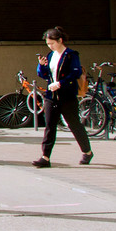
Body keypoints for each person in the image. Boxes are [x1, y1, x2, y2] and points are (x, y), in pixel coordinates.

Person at [33, 26, 93, 168]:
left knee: (74, 124)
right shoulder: (50, 55)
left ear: (60, 40)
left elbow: (75, 73)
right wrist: (41, 66)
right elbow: (44, 74)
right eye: (48, 44)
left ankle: (87, 152)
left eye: (52, 43)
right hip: (51, 96)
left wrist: (60, 83)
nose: (50, 46)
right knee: (49, 125)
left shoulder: (71, 55)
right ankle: (45, 157)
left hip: (67, 96)